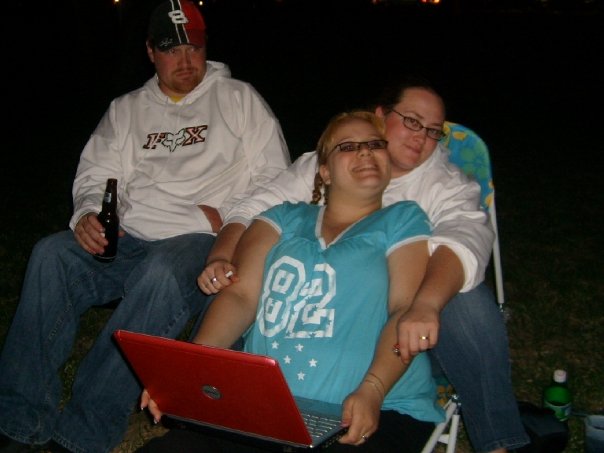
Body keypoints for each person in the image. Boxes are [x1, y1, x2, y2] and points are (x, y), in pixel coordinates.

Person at [0, 1, 290, 452]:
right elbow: (97, 174)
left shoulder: (239, 100)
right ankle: (20, 418)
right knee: (51, 255)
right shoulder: (127, 110)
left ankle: (83, 430)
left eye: (194, 48)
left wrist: (229, 219)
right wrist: (88, 213)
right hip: (130, 235)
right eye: (172, 49)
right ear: (151, 52)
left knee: (161, 273)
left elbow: (275, 180)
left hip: (201, 241)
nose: (186, 60)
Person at [197, 76, 529, 453]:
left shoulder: (441, 185)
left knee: (466, 301)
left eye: (433, 131)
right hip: (313, 313)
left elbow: (464, 239)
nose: (421, 137)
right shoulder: (321, 168)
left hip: (415, 330)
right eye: (412, 121)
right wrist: (221, 257)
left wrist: (426, 303)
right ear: (381, 116)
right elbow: (254, 209)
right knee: (236, 281)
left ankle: (497, 440)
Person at [139, 110, 445, 453]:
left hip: (376, 405)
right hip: (267, 405)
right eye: (348, 146)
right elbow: (241, 296)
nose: (365, 151)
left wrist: (373, 389)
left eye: (375, 144)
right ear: (324, 171)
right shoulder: (282, 217)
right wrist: (189, 370)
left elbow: (405, 309)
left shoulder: (403, 220)